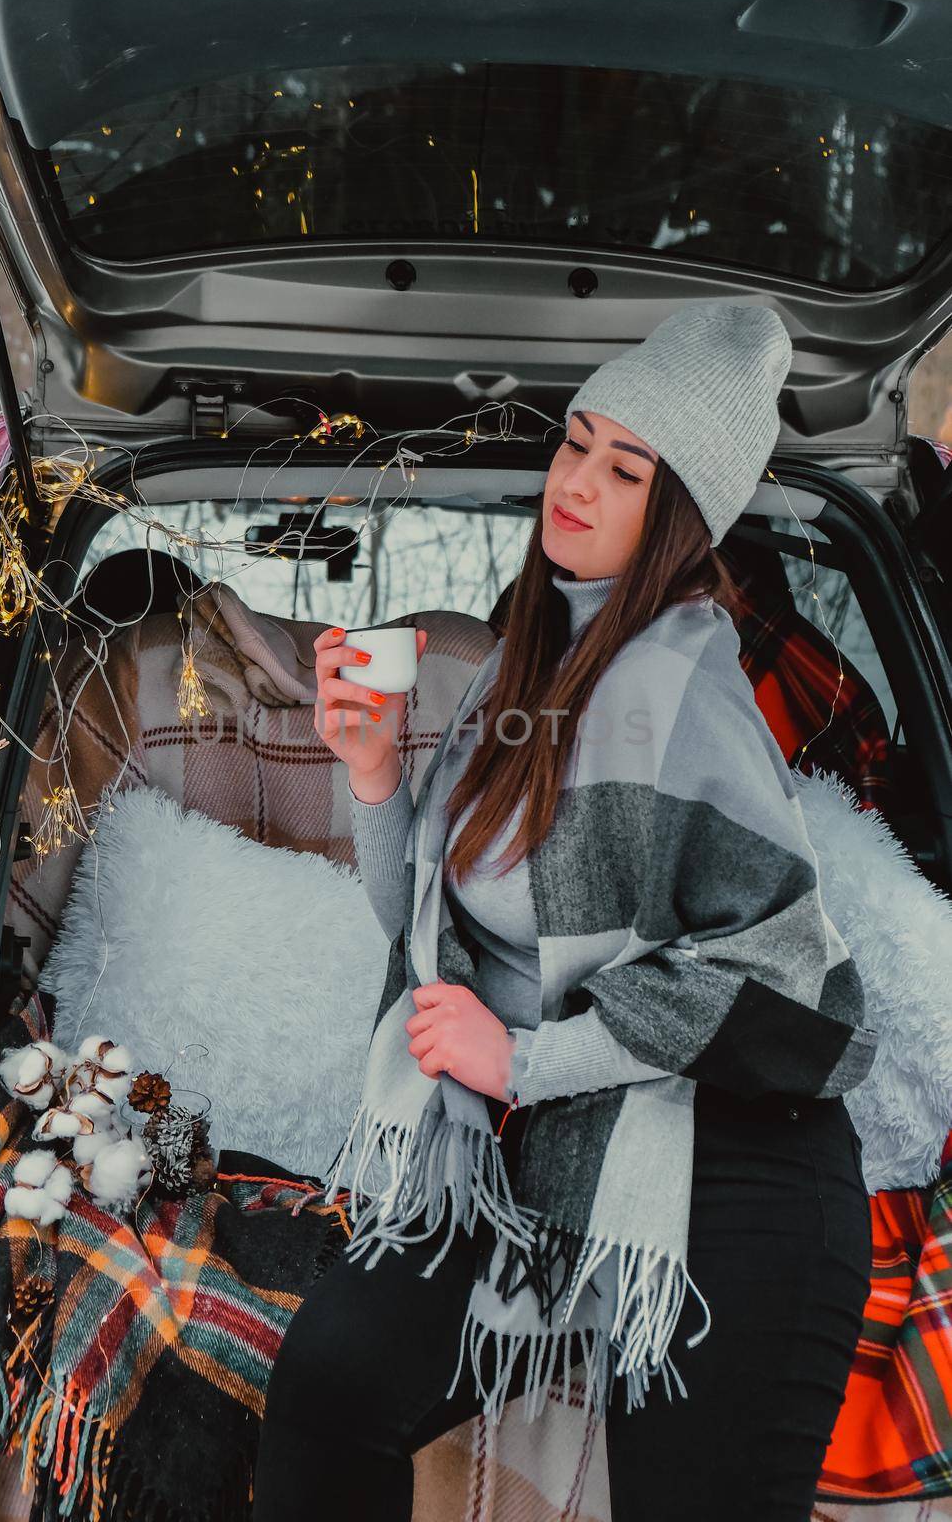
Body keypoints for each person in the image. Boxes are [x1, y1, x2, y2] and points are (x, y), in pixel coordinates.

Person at [251, 300, 876, 1522]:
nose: (575, 482)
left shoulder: (675, 685)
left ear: (678, 514)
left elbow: (781, 979)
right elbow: (437, 931)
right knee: (331, 1392)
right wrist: (374, 771)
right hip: (534, 1139)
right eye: (575, 441)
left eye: (623, 466)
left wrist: (522, 1057)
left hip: (743, 1158)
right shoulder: (524, 660)